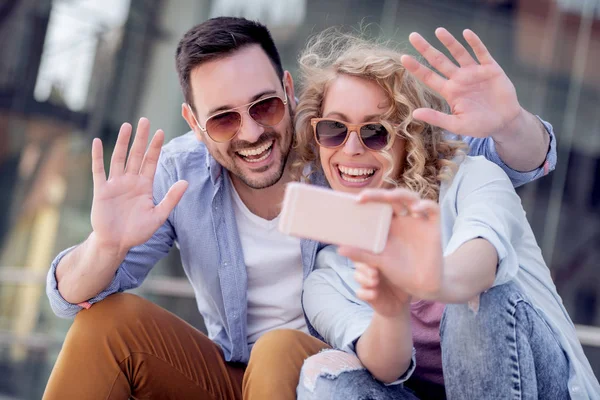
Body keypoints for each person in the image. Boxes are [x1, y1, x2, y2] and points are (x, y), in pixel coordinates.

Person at [43, 17, 558, 400]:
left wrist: (510, 121)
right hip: (237, 375)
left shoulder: (340, 142)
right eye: (222, 119)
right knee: (104, 324)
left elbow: (497, 160)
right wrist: (104, 245)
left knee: (280, 348)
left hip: (328, 371)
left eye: (264, 105)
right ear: (194, 122)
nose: (250, 132)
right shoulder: (180, 172)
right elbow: (70, 298)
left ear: (288, 91)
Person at [293, 29, 600, 399]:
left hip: (542, 386)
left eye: (376, 132)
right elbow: (387, 370)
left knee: (473, 300)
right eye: (334, 129)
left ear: (411, 136)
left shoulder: (471, 178)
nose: (352, 148)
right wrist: (391, 312)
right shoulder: (327, 275)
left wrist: (426, 279)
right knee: (325, 377)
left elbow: (481, 263)